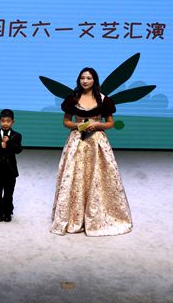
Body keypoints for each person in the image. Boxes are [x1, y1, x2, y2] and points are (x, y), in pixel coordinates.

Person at [51, 67, 133, 236]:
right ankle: (74, 216)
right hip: (77, 142)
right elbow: (66, 122)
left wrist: (98, 125)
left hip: (97, 142)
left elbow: (110, 122)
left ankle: (96, 216)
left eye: (88, 78)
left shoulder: (104, 100)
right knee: (75, 177)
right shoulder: (72, 99)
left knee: (98, 177)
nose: (85, 81)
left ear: (94, 80)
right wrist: (78, 125)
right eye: (82, 78)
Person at [0, 109, 23, 222]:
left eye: (8, 121)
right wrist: (0, 145)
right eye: (3, 121)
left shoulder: (17, 136)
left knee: (9, 193)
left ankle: (7, 212)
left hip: (10, 169)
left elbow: (18, 150)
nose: (5, 123)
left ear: (13, 122)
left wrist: (9, 143)